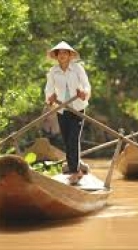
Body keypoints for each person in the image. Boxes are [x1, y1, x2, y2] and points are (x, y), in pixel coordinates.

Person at [45, 41, 91, 184]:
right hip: (62, 109)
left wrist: (83, 93)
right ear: (57, 56)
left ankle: (75, 171)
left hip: (77, 108)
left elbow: (86, 85)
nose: (62, 56)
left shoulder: (77, 68)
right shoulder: (53, 71)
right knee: (66, 139)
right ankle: (74, 168)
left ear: (70, 55)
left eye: (65, 53)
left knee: (73, 138)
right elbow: (48, 89)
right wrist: (50, 98)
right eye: (60, 53)